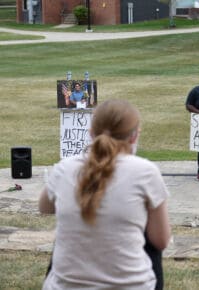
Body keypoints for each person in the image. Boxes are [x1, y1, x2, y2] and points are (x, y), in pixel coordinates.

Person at [39, 99, 171, 289]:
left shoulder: (65, 168)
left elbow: (44, 207)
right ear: (134, 137)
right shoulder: (146, 172)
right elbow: (161, 240)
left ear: (91, 133)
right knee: (149, 241)